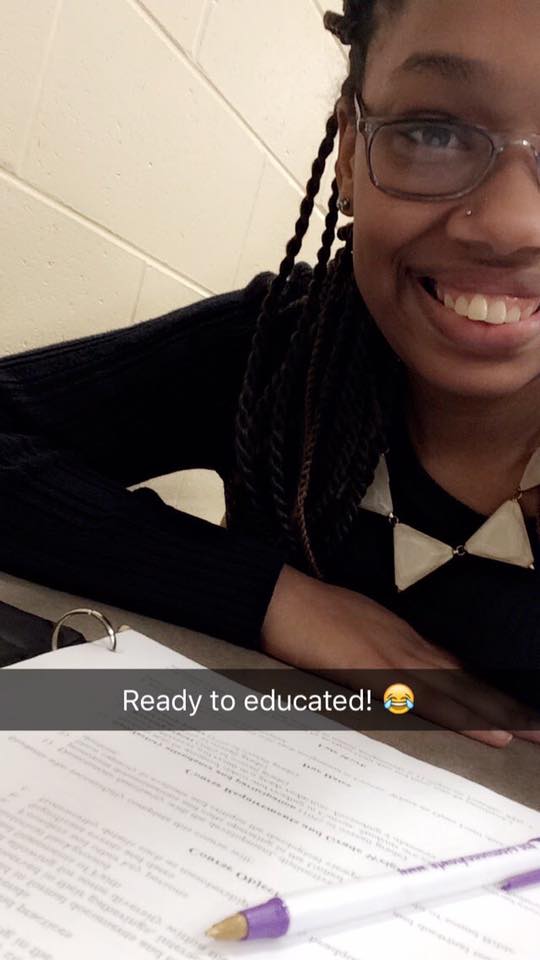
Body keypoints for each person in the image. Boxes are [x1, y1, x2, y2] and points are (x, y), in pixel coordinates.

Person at [2, 0, 540, 746]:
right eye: (433, 131)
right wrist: (269, 598)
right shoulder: (290, 349)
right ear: (350, 152)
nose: (516, 222)